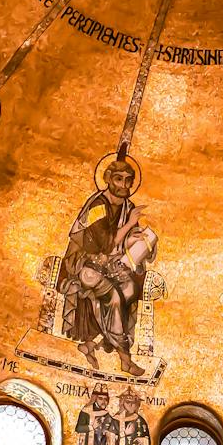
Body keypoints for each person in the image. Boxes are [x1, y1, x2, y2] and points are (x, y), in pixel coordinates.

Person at [59, 155, 155, 377]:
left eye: (128, 180)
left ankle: (91, 345)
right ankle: (125, 359)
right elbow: (104, 244)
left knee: (130, 289)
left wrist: (137, 240)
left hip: (109, 263)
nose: (123, 185)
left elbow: (121, 243)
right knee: (113, 297)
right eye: (118, 179)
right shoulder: (97, 206)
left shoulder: (128, 207)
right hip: (84, 263)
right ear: (108, 178)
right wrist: (130, 224)